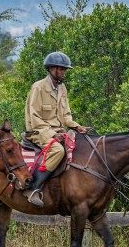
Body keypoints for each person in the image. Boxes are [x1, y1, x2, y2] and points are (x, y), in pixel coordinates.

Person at [24, 51, 88, 207]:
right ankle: (33, 188)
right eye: (61, 69)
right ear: (52, 69)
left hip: (58, 131)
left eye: (64, 69)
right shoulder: (38, 87)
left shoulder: (62, 88)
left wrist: (76, 126)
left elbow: (66, 114)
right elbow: (34, 118)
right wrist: (52, 134)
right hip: (38, 131)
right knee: (58, 151)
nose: (64, 72)